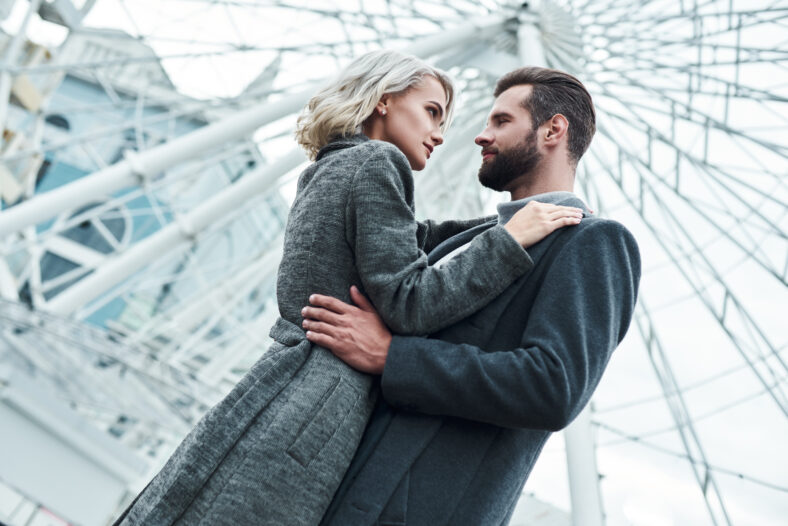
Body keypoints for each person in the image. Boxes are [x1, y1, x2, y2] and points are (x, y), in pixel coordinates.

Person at [113, 53, 583, 525]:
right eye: (432, 112)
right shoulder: (380, 162)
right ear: (384, 101)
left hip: (285, 382)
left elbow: (411, 237)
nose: (441, 133)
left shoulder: (335, 165)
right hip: (316, 403)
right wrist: (505, 242)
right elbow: (410, 303)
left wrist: (497, 223)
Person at [305, 67, 642, 526]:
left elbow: (552, 386)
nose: (480, 136)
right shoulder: (470, 239)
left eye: (501, 121)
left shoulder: (593, 242)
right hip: (337, 490)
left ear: (553, 130)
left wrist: (392, 356)